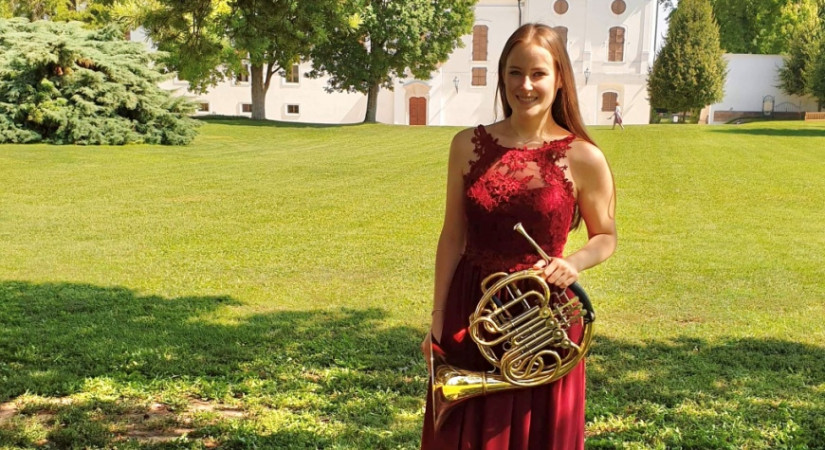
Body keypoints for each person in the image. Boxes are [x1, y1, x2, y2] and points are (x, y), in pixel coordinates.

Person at [420, 23, 617, 449]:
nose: (525, 85)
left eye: (538, 73)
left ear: (559, 77)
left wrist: (574, 263)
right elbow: (452, 236)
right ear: (501, 76)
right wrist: (438, 318)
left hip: (543, 318)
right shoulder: (466, 145)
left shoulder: (583, 156)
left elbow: (605, 236)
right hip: (472, 309)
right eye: (514, 72)